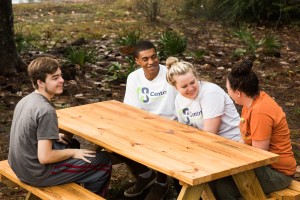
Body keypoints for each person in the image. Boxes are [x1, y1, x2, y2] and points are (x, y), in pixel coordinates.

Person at [8, 57, 112, 197]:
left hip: (19, 166)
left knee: (71, 142)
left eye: (60, 76)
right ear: (40, 82)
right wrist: (72, 153)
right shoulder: (46, 110)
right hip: (36, 174)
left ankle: (78, 180)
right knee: (103, 160)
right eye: (55, 78)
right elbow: (45, 157)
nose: (62, 80)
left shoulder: (26, 100)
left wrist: (54, 137)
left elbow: (28, 133)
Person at [211, 59, 296, 199]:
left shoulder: (260, 111)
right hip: (264, 166)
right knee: (217, 184)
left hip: (277, 172)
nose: (228, 93)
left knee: (222, 184)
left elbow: (258, 155)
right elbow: (247, 139)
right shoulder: (250, 103)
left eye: (228, 89)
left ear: (238, 93)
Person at [122, 40, 178, 200]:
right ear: (137, 61)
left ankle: (161, 183)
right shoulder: (134, 77)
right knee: (111, 143)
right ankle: (146, 175)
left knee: (162, 143)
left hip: (172, 126)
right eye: (145, 59)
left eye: (154, 57)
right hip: (145, 125)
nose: (151, 62)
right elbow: (130, 110)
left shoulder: (170, 73)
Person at [165, 57, 241, 141]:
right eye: (184, 86)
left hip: (232, 141)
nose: (190, 89)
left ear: (196, 77)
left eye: (192, 82)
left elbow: (210, 133)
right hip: (203, 141)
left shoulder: (211, 93)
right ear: (175, 87)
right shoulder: (179, 99)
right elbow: (184, 128)